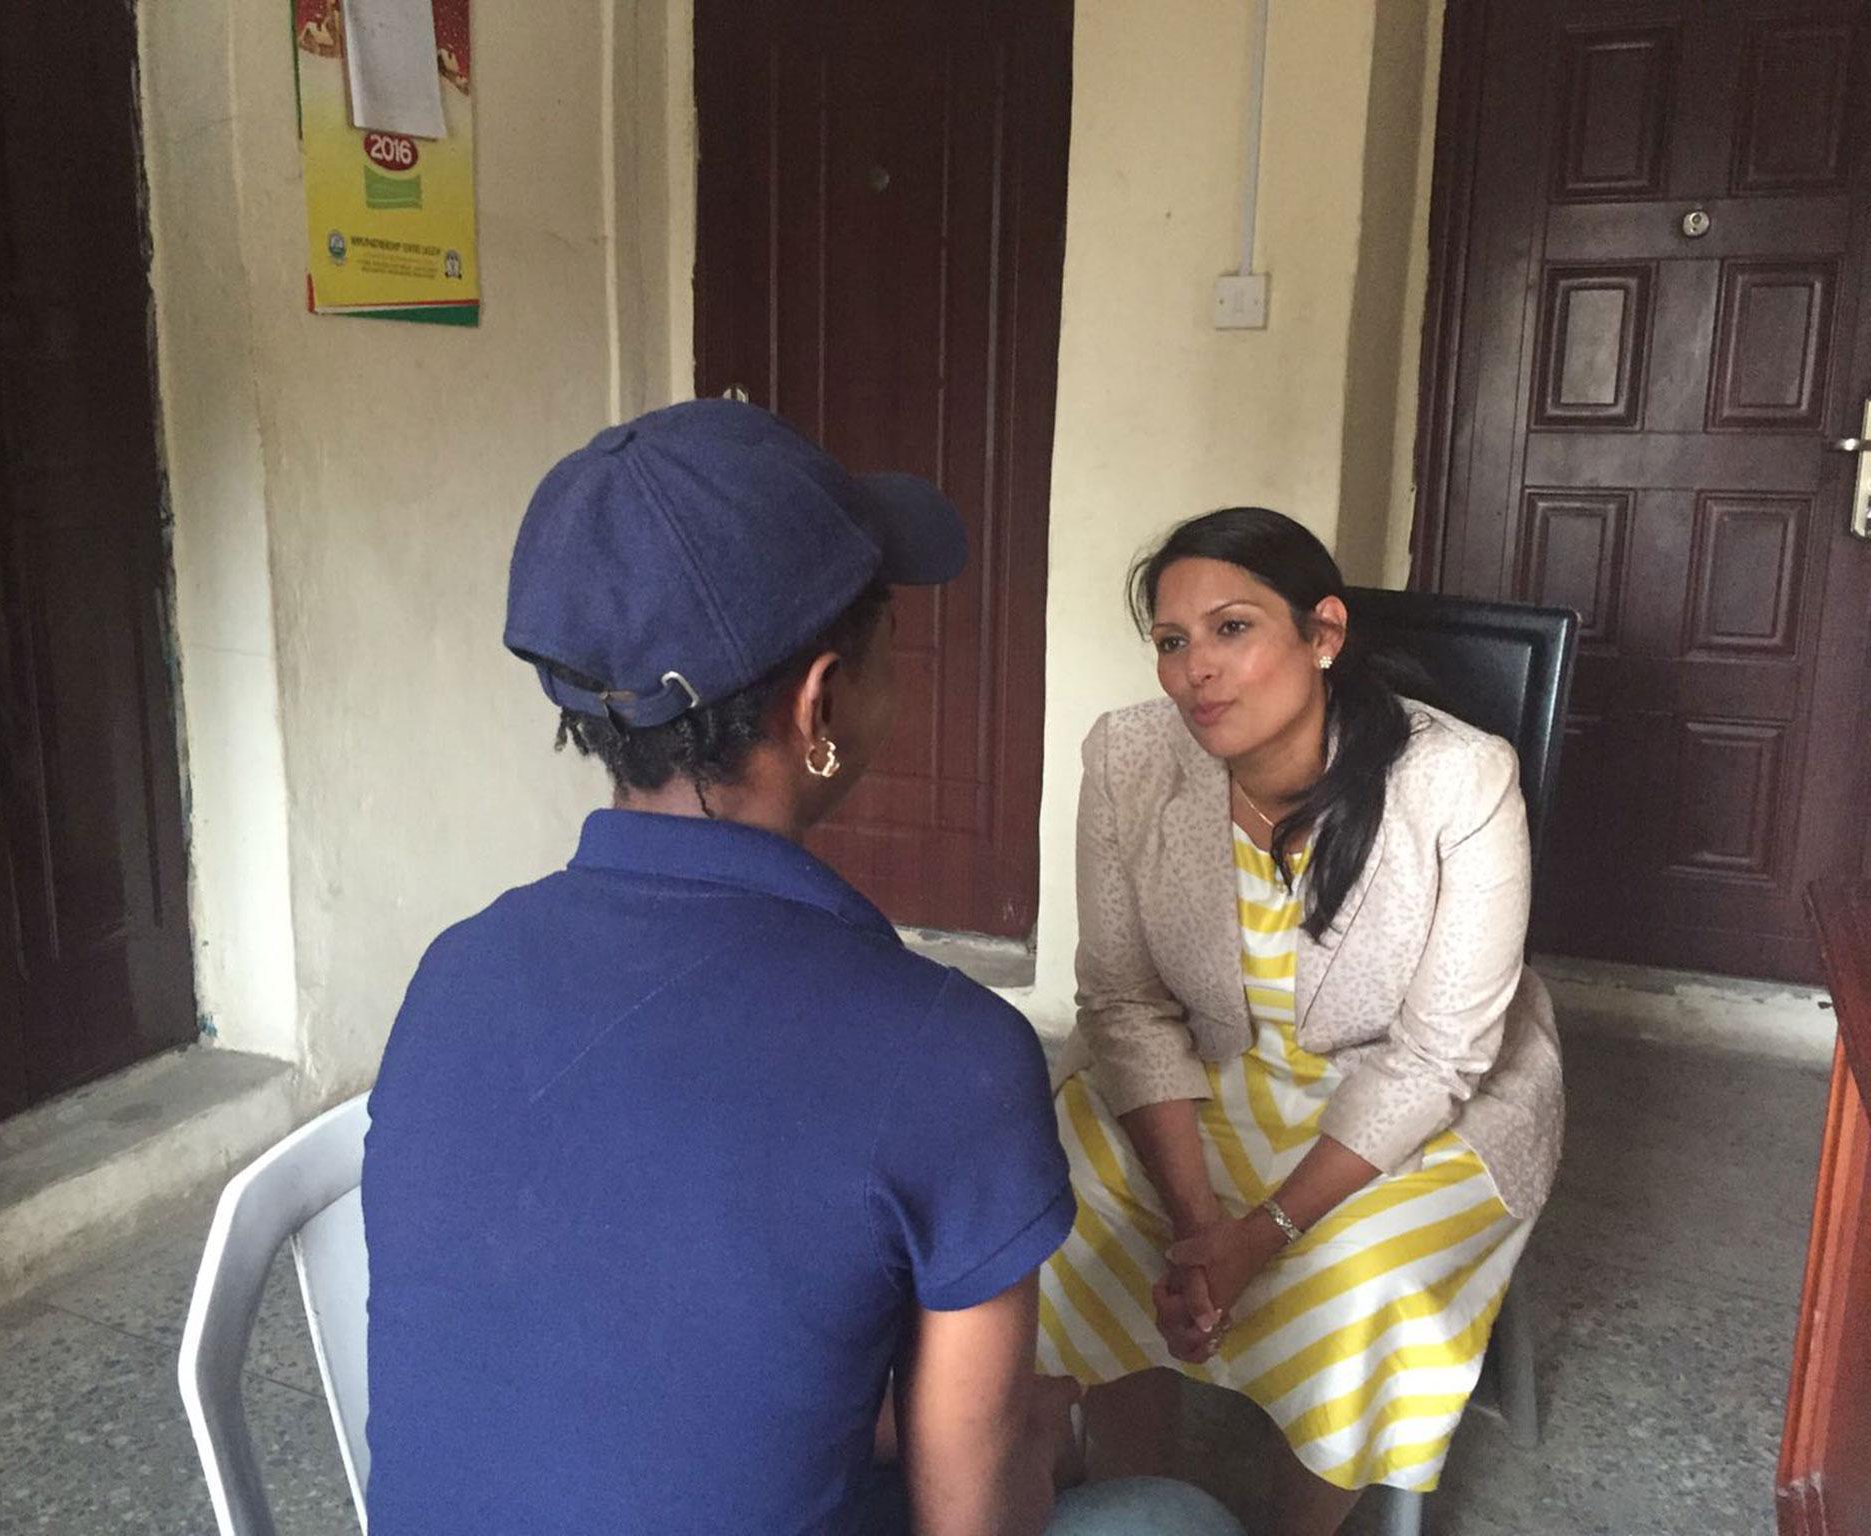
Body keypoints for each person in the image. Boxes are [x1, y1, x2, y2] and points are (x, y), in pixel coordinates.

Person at [362, 399, 1080, 1536]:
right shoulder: (949, 1058)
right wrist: (1044, 1432)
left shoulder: (456, 972)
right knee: (1168, 1515)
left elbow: (600, 1372)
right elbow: (973, 1521)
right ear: (820, 702)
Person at [1040, 508, 1564, 1536]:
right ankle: (1140, 1498)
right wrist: (1199, 1228)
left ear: (1321, 634)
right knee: (1071, 1219)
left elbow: (1438, 1056)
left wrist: (1263, 1232)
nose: (1196, 669)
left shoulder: (1456, 778)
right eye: (1170, 641)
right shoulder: (1129, 757)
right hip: (1196, 1072)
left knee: (1356, 1272)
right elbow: (1123, 1003)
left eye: (1231, 629)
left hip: (1417, 1103)